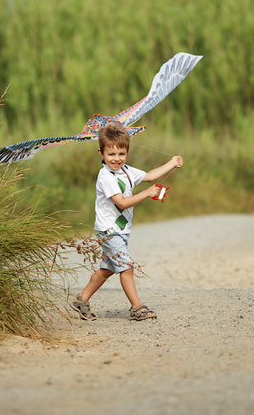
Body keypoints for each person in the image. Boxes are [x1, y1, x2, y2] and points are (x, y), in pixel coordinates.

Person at [71, 121, 183, 321]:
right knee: (126, 266)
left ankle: (82, 299)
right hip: (109, 230)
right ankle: (137, 307)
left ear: (127, 153)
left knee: (107, 269)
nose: (117, 158)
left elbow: (149, 176)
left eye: (121, 154)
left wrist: (172, 163)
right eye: (111, 154)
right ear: (101, 153)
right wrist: (146, 194)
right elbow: (122, 203)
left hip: (120, 230)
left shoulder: (126, 170)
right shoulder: (106, 176)